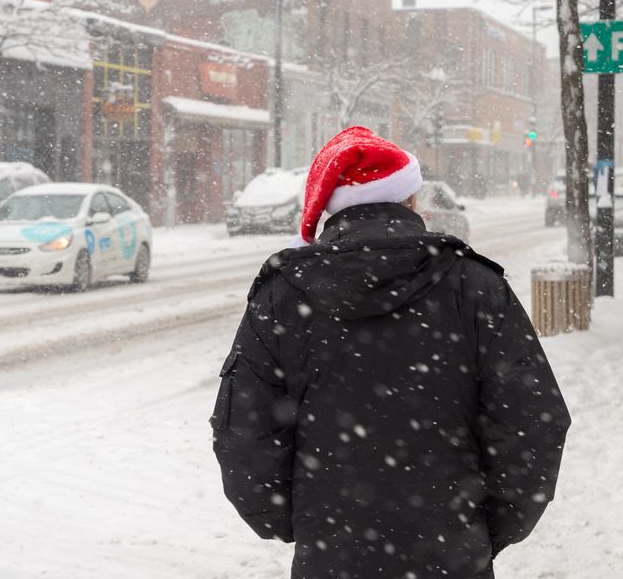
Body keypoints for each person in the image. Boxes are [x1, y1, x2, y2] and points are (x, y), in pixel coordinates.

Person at [210, 127, 571, 579]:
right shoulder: (476, 287)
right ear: (411, 200)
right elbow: (532, 424)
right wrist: (482, 527)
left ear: (331, 209)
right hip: (451, 554)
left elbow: (243, 434)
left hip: (332, 555)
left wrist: (302, 519)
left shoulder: (283, 296)